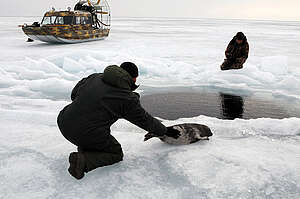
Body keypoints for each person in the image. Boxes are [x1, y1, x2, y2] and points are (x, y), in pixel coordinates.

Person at [57, 62, 180, 180]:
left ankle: (86, 147)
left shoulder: (95, 77)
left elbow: (74, 95)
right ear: (134, 79)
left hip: (63, 120)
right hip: (84, 132)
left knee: (92, 132)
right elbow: (144, 120)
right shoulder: (126, 99)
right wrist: (164, 130)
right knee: (115, 153)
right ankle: (83, 161)